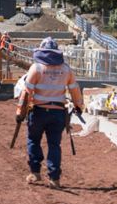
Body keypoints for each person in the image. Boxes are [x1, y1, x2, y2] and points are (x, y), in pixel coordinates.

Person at [18, 37, 83, 188]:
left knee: (34, 140)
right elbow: (75, 90)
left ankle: (35, 173)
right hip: (58, 113)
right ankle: (54, 178)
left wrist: (19, 112)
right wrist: (79, 106)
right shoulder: (66, 69)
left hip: (38, 112)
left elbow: (26, 93)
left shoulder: (36, 68)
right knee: (54, 145)